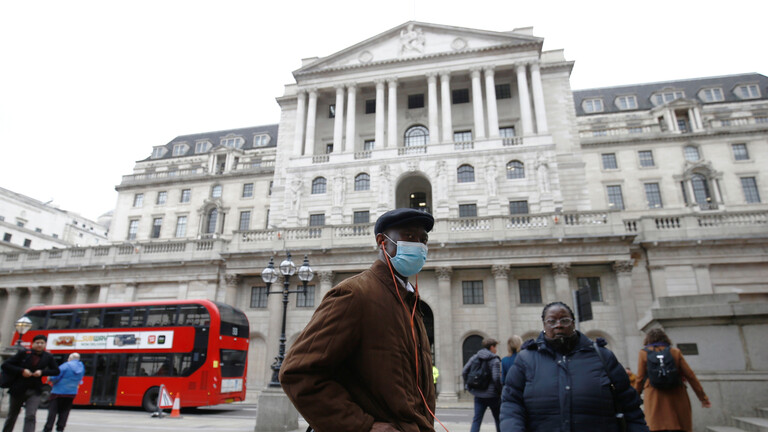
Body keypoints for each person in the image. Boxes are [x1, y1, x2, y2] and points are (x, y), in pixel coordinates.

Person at [280, 208, 436, 432]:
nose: (419, 246)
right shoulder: (354, 294)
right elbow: (297, 371)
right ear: (383, 241)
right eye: (409, 237)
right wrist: (363, 426)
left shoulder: (409, 302)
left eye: (423, 240)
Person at [500, 302, 649, 432]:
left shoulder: (603, 356)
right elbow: (511, 402)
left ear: (573, 323)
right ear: (544, 326)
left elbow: (630, 405)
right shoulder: (526, 359)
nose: (558, 325)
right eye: (552, 321)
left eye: (564, 320)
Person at [634, 328, 710, 432]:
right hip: (677, 395)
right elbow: (690, 376)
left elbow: (640, 379)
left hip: (654, 396)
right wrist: (703, 398)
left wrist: (633, 399)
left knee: (657, 426)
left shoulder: (643, 353)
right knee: (679, 425)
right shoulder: (675, 352)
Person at [1, 334, 60, 432]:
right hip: (18, 389)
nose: (39, 345)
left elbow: (56, 371)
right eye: (37, 343)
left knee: (31, 415)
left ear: (45, 344)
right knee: (13, 415)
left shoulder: (48, 356)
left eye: (42, 343)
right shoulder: (24, 353)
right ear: (33, 344)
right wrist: (22, 371)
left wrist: (42, 372)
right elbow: (6, 365)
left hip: (35, 390)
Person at [462, 338, 502, 432]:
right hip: (493, 396)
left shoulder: (475, 357)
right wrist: (500, 390)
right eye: (495, 347)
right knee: (498, 419)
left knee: (477, 420)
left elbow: (464, 371)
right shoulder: (494, 360)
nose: (496, 349)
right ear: (492, 347)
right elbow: (496, 378)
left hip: (478, 394)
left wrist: (470, 386)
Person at [43, 352, 85, 432]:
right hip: (72, 393)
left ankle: (48, 428)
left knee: (53, 411)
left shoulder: (65, 366)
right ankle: (60, 428)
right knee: (65, 412)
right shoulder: (81, 367)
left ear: (70, 358)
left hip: (58, 392)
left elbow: (55, 377)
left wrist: (50, 379)